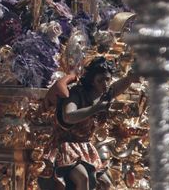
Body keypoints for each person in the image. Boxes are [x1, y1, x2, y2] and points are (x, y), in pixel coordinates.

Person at [45, 57, 136, 189]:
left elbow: (116, 88)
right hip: (65, 147)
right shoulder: (77, 94)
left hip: (86, 148)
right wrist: (94, 108)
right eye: (100, 80)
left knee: (106, 182)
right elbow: (68, 116)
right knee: (83, 178)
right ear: (92, 81)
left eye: (107, 79)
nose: (105, 84)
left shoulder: (103, 95)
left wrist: (130, 79)